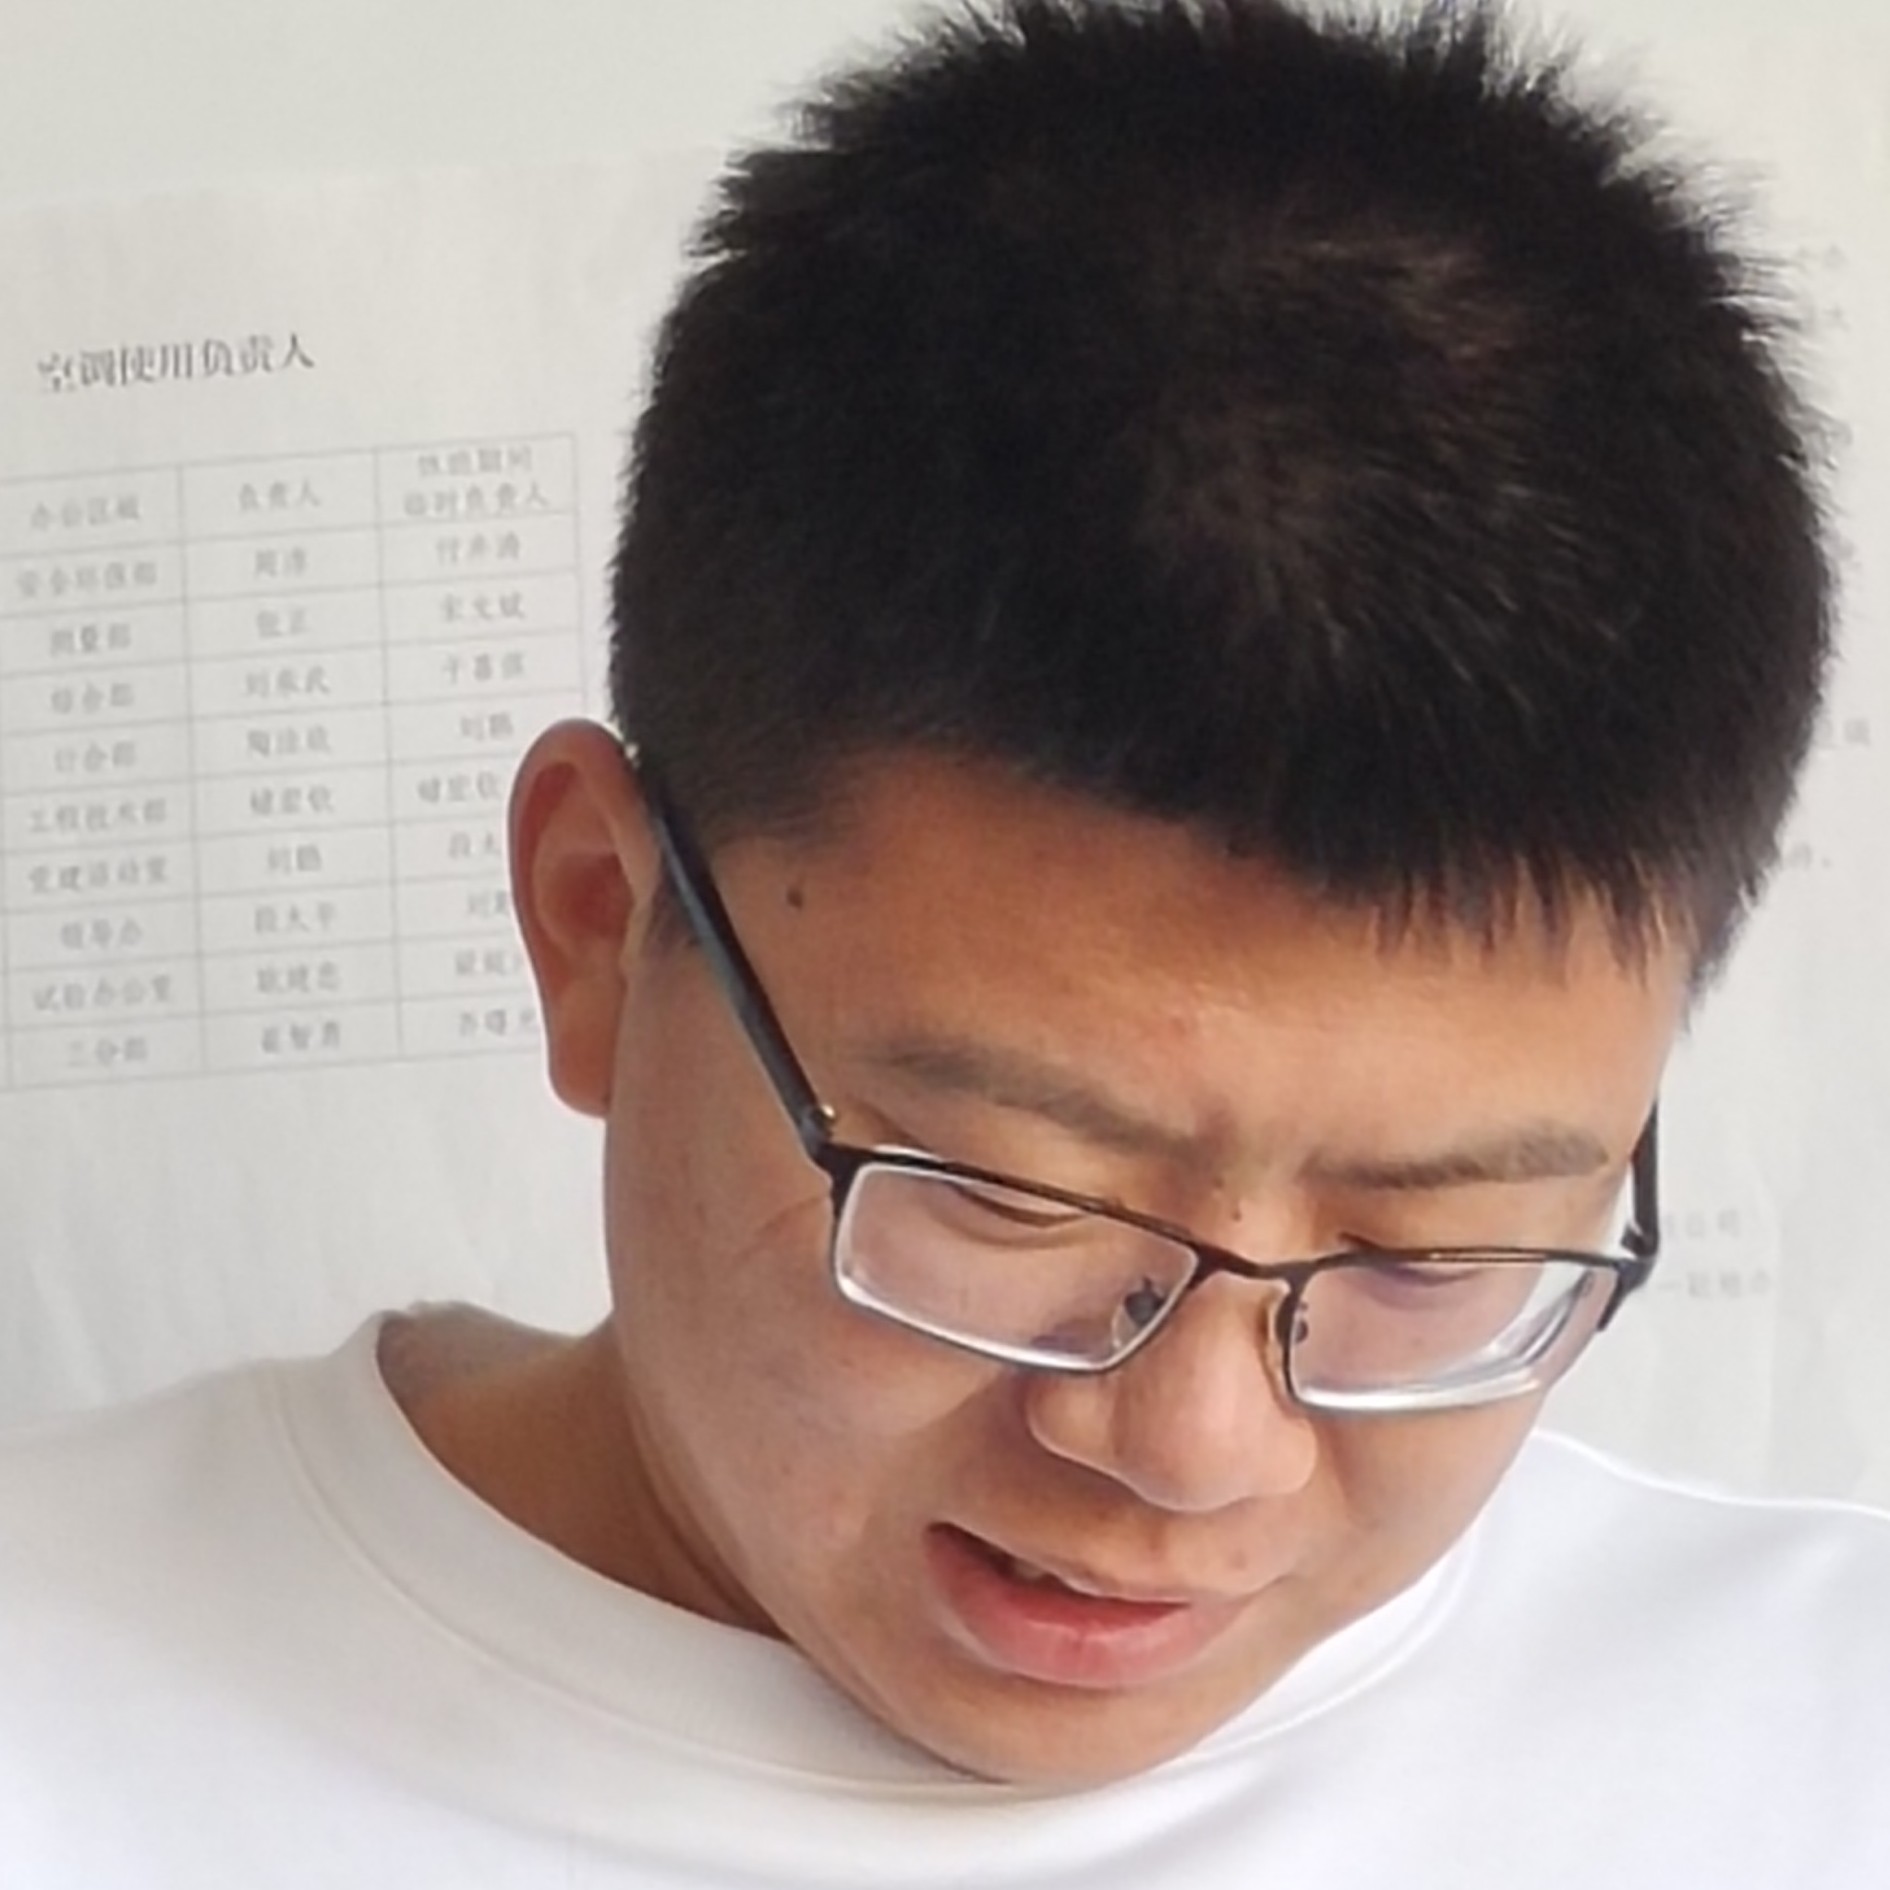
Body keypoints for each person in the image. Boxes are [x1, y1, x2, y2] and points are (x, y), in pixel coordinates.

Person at [3, 1, 1886, 1883]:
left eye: (1429, 1257)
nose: (1192, 1449)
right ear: (597, 923)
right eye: (1004, 1196)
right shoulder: (63, 1712)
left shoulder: (1817, 1737)